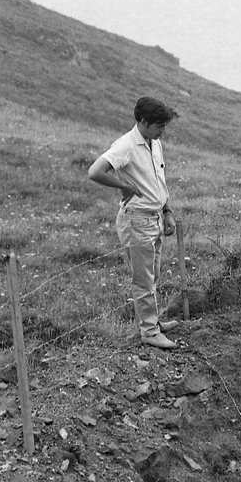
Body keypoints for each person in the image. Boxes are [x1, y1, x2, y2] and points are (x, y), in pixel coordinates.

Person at [88, 97, 181, 349]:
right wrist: (124, 185)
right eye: (159, 125)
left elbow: (158, 181)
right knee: (143, 279)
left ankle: (153, 323)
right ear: (142, 121)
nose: (163, 130)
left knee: (154, 274)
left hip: (155, 217)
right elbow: (95, 171)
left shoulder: (156, 143)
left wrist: (167, 211)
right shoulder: (126, 145)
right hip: (137, 220)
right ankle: (149, 332)